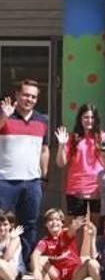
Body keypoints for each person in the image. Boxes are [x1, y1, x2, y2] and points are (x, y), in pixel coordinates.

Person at [0, 80, 50, 269]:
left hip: (32, 181)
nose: (29, 99)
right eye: (26, 95)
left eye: (33, 96)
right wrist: (5, 117)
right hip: (5, 180)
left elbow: (44, 150)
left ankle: (27, 261)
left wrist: (44, 176)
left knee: (30, 224)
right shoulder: (5, 114)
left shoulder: (41, 120)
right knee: (2, 223)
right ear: (17, 94)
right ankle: (3, 264)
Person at [55, 104, 105, 226]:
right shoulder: (73, 137)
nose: (89, 120)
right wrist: (61, 145)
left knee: (95, 227)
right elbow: (61, 163)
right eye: (86, 117)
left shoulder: (103, 137)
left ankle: (94, 246)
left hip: (97, 187)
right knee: (76, 226)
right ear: (80, 118)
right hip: (76, 187)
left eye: (92, 117)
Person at [31, 210, 94, 280]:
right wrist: (36, 270)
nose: (54, 222)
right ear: (46, 224)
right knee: (38, 260)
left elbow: (71, 230)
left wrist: (74, 226)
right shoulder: (45, 241)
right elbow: (35, 254)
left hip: (73, 273)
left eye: (57, 219)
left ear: (62, 223)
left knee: (88, 262)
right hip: (57, 274)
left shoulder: (65, 234)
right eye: (50, 220)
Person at [0, 211, 24, 280]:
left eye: (5, 224)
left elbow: (7, 258)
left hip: (15, 271)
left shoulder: (15, 238)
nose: (2, 228)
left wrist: (10, 239)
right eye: (0, 225)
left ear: (11, 225)